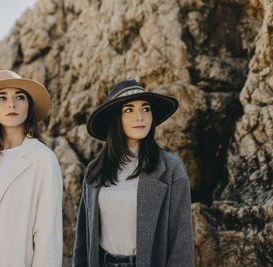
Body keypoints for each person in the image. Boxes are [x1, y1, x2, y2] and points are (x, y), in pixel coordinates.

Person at [73, 80, 194, 266]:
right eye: (129, 110)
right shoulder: (95, 171)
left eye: (146, 109)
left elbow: (181, 242)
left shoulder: (171, 168)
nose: (140, 117)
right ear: (115, 119)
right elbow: (83, 240)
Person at [0, 70, 63, 267]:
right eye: (2, 98)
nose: (11, 104)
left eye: (19, 97)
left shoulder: (43, 160)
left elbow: (48, 238)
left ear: (28, 106)